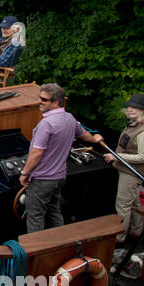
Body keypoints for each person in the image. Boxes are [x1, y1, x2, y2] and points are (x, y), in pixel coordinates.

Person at [19, 83, 104, 233]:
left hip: (42, 179)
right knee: (54, 212)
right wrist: (95, 139)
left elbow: (37, 153)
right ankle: (60, 245)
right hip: (58, 178)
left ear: (56, 102)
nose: (39, 101)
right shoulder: (69, 118)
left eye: (44, 100)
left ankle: (36, 252)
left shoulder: (46, 124)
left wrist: (25, 173)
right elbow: (83, 134)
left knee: (35, 217)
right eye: (39, 98)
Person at [103, 93, 144, 251]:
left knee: (123, 205)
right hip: (125, 169)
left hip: (132, 173)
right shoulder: (135, 124)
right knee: (134, 203)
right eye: (130, 106)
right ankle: (137, 231)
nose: (131, 109)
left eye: (136, 107)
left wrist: (116, 156)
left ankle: (119, 239)